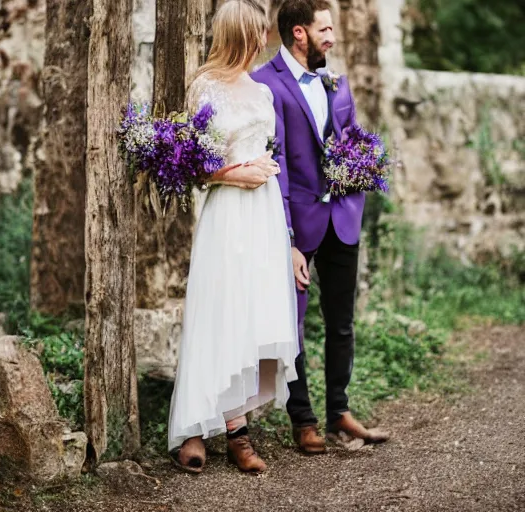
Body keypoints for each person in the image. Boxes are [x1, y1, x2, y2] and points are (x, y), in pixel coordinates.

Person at [251, 0, 390, 453]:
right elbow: (279, 167)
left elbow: (350, 139)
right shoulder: (264, 85)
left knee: (342, 322)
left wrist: (361, 174)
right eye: (324, 29)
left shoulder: (336, 81)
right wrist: (287, 237)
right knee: (291, 324)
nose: (332, 37)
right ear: (298, 33)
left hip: (343, 217)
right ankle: (303, 419)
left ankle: (339, 412)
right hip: (295, 224)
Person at [167, 0, 300, 474]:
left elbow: (271, 158)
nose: (265, 39)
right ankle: (196, 428)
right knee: (217, 310)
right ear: (239, 34)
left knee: (250, 312)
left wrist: (286, 234)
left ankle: (237, 428)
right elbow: (192, 167)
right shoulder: (205, 86)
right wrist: (231, 174)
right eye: (257, 31)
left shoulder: (261, 91)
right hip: (226, 211)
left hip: (261, 215)